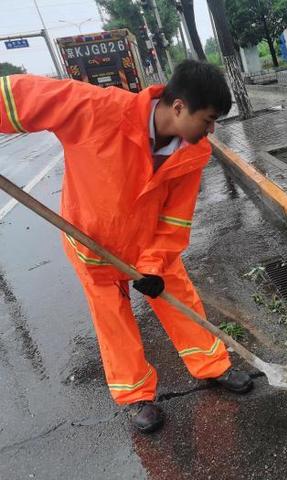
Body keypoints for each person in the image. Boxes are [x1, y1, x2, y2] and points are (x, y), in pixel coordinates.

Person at [0, 60, 253, 433]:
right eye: (208, 119)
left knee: (178, 299)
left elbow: (176, 220)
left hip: (149, 244)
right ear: (179, 106)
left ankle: (212, 365)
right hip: (93, 245)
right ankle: (136, 394)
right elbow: (19, 96)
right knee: (113, 318)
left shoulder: (193, 151)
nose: (211, 130)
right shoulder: (96, 109)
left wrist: (153, 263)